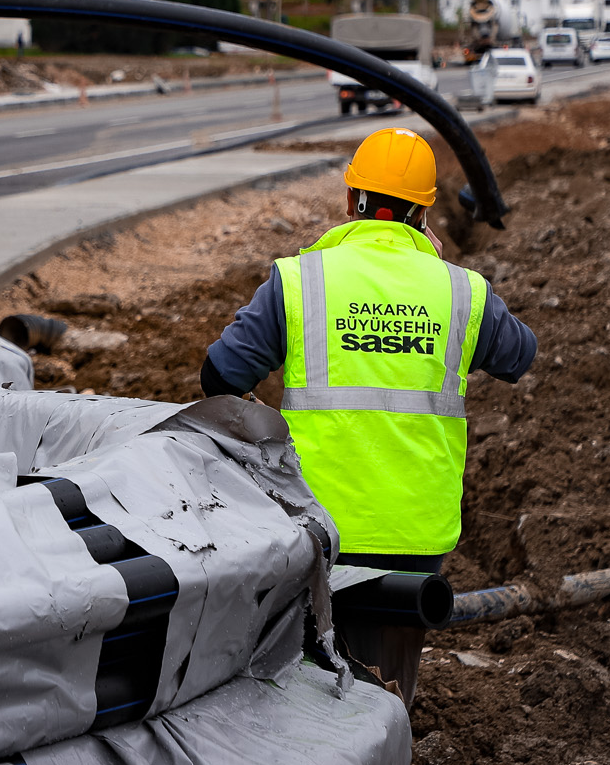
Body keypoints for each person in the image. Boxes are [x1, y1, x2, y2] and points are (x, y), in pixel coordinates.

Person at [200, 127, 536, 708]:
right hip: (412, 537)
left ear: (351, 199)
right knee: (384, 697)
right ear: (422, 210)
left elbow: (221, 376)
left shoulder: (300, 281)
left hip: (313, 530)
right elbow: (519, 356)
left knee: (299, 689)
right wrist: (438, 273)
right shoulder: (462, 293)